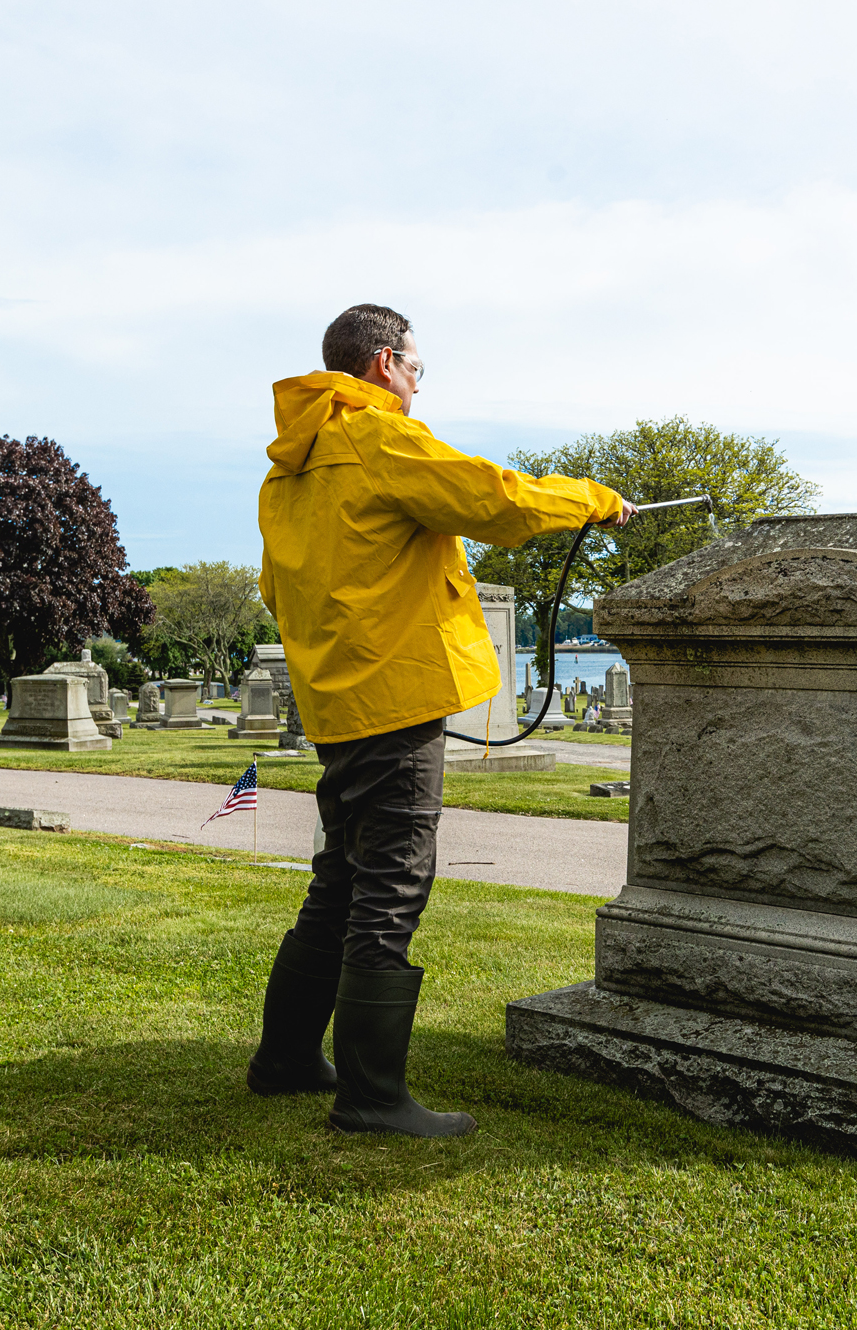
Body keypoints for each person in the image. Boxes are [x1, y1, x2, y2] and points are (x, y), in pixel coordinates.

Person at [248, 304, 633, 1138]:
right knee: (392, 880)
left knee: (341, 878)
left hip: (337, 704)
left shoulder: (287, 473)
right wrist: (595, 500)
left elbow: (279, 592)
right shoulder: (381, 439)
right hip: (397, 699)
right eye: (418, 370)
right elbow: (497, 498)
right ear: (385, 364)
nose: (418, 385)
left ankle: (283, 1059)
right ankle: (372, 1096)